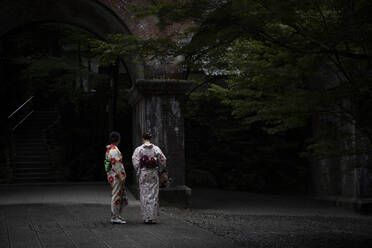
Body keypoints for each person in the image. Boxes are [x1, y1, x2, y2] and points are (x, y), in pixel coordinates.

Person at [132, 132, 166, 224]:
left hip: (144, 173)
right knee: (154, 194)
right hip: (154, 173)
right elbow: (163, 160)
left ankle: (147, 217)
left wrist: (138, 169)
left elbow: (135, 162)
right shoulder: (156, 149)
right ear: (150, 139)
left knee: (144, 194)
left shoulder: (139, 149)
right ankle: (153, 217)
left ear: (143, 138)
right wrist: (160, 169)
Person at [105, 131, 128, 224]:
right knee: (116, 195)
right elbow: (117, 165)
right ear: (118, 140)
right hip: (116, 176)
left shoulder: (109, 149)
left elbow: (108, 165)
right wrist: (123, 176)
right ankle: (114, 217)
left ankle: (117, 215)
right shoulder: (114, 150)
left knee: (118, 195)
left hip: (112, 174)